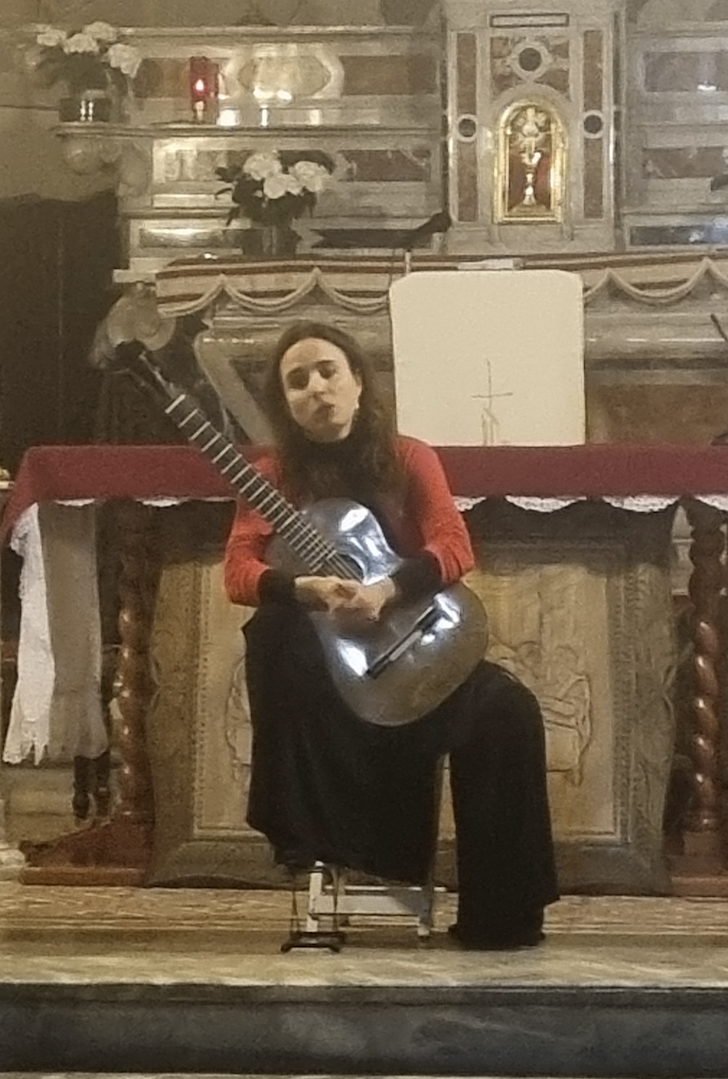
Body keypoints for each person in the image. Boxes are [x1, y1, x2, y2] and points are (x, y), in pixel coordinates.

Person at [223, 319, 559, 950]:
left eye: (328, 371)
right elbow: (238, 571)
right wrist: (308, 590)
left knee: (507, 710)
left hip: (413, 650)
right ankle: (327, 847)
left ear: (357, 381)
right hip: (328, 683)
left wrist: (386, 591)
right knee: (276, 637)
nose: (316, 388)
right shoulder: (270, 478)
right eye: (297, 381)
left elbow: (454, 546)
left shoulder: (409, 458)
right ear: (285, 405)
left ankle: (501, 916)